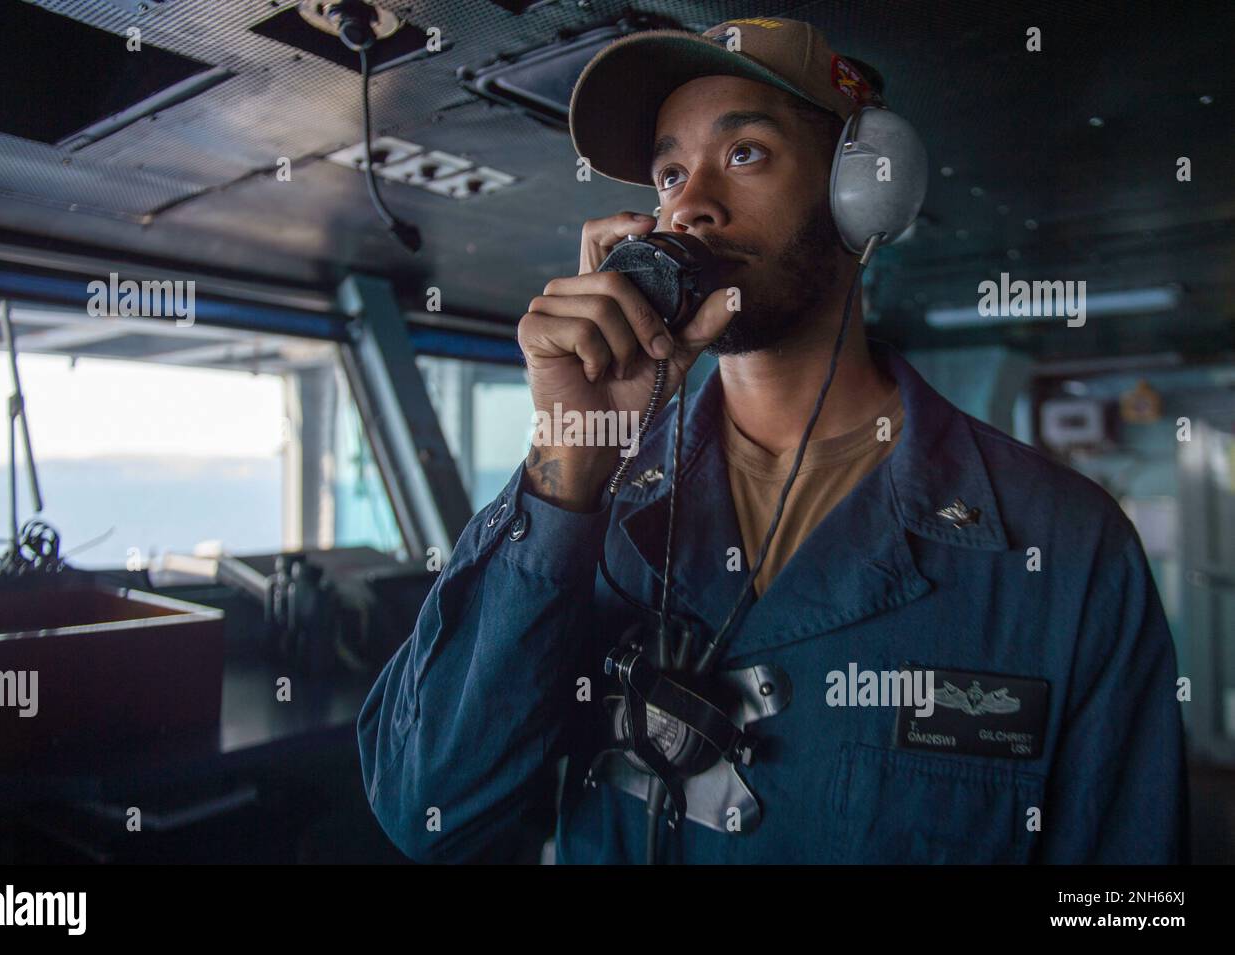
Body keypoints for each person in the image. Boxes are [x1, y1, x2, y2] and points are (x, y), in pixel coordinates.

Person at [357, 17, 1188, 864]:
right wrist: (570, 451)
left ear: (863, 193)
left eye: (744, 152)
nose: (690, 203)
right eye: (670, 173)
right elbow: (427, 807)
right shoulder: (588, 498)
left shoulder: (1066, 548)